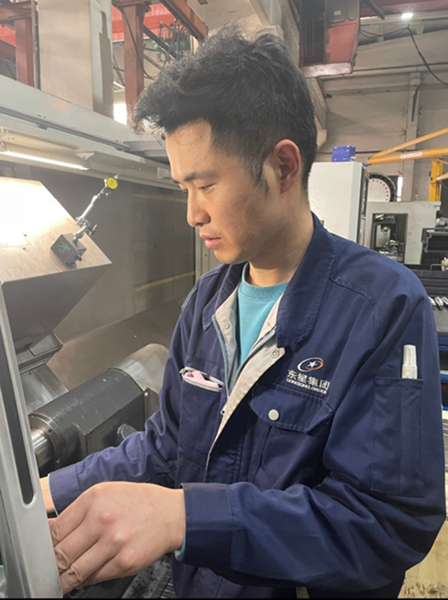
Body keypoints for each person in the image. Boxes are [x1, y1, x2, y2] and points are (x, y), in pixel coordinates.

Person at [41, 24, 445, 598]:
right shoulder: (208, 302)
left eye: (205, 184)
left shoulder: (383, 307)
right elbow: (166, 447)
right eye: (183, 187)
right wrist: (46, 493)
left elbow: (384, 526)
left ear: (284, 167)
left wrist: (186, 519)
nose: (192, 213)